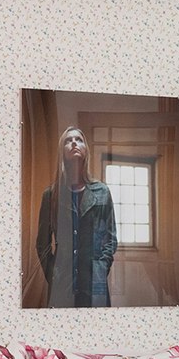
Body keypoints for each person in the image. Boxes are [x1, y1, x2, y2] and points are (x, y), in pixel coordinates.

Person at [34, 125, 117, 307]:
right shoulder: (51, 195)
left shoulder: (102, 192)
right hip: (62, 284)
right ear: (62, 152)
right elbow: (42, 244)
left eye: (78, 140)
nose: (74, 143)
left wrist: (100, 270)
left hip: (94, 283)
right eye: (68, 140)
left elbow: (110, 240)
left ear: (85, 149)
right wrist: (54, 275)